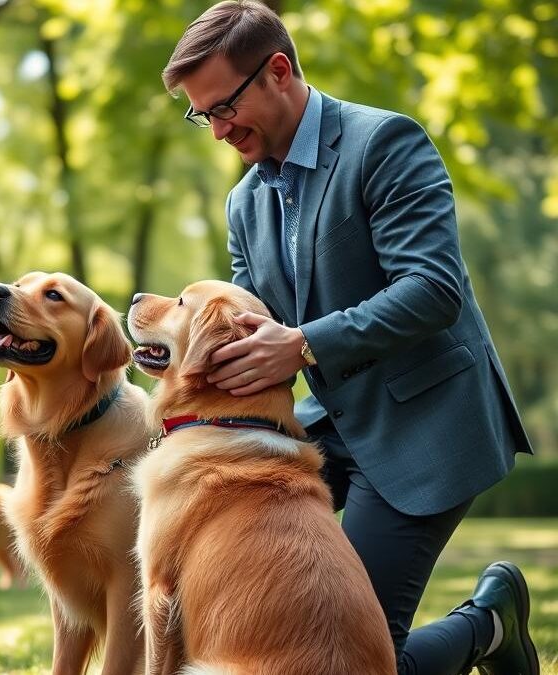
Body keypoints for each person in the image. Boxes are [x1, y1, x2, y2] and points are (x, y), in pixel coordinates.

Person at [163, 2, 538, 674]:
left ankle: (488, 622)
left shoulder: (384, 143)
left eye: (223, 107)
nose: (217, 130)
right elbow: (256, 321)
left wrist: (302, 344)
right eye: (202, 115)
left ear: (278, 71)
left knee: (356, 658)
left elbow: (433, 288)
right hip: (330, 424)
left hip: (428, 426)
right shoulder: (243, 201)